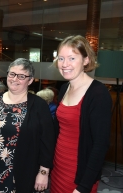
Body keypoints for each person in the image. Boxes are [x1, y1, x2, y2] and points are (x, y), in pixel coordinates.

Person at [0, 58, 55, 193]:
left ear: (30, 80)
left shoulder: (39, 106)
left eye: (22, 76)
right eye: (12, 74)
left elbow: (47, 142)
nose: (15, 79)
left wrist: (44, 172)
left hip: (21, 173)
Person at [50, 35, 112, 193]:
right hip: (58, 168)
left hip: (80, 175)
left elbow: (100, 145)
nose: (65, 64)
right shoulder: (64, 88)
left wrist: (84, 187)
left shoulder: (98, 94)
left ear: (86, 60)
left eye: (72, 58)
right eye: (61, 58)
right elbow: (59, 131)